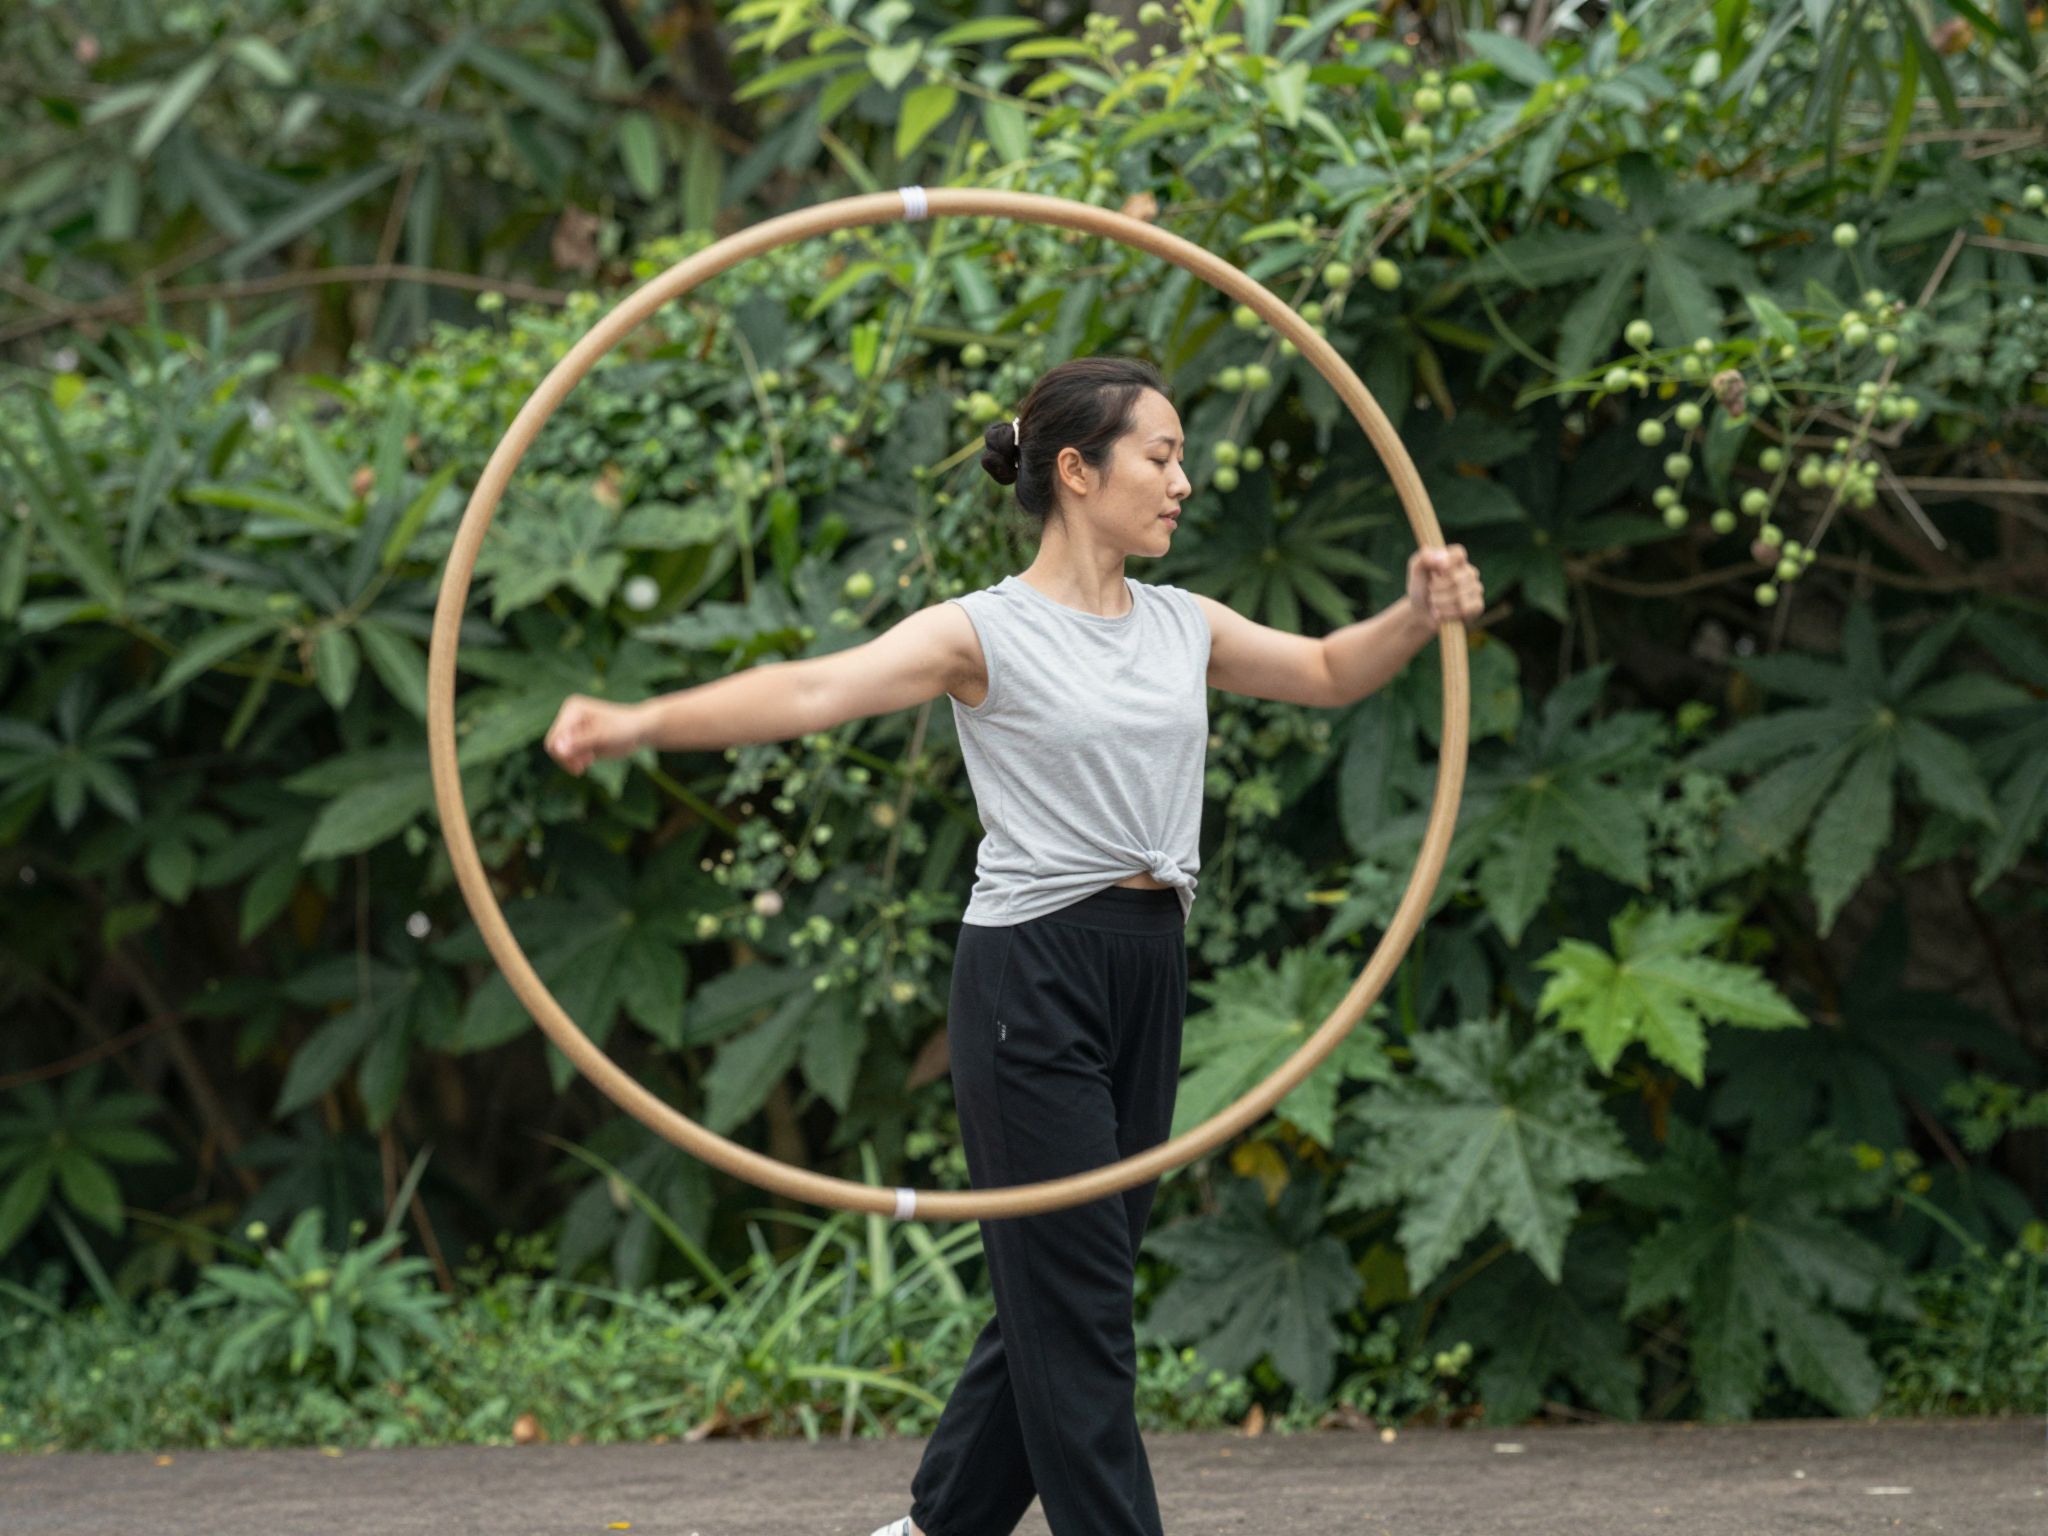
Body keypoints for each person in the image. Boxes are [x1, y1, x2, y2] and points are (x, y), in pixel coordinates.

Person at [544, 356, 1485, 1535]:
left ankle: (941, 1527)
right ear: (1077, 471)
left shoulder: (1179, 622)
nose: (1183, 481)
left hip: (1148, 960)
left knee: (1059, 1287)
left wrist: (1414, 611)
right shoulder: (980, 631)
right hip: (1030, 973)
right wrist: (640, 723)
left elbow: (1328, 671)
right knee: (1079, 1304)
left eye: (1182, 456)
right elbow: (811, 692)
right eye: (1160, 456)